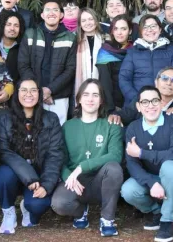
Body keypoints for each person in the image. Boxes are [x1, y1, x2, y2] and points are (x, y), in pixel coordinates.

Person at [51, 79, 124, 238]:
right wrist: (68, 177)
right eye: (86, 94)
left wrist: (82, 167)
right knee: (59, 204)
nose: (90, 99)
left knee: (114, 168)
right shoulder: (68, 127)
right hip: (76, 181)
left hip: (101, 180)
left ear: (101, 100)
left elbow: (116, 155)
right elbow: (59, 159)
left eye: (95, 95)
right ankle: (80, 212)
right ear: (78, 99)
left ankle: (107, 219)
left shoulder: (111, 125)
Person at [0, 79, 64, 234]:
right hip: (13, 172)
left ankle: (27, 206)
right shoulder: (3, 117)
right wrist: (29, 176)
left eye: (33, 90)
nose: (28, 94)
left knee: (37, 206)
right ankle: (8, 210)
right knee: (2, 176)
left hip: (38, 175)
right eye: (23, 90)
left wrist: (46, 184)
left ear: (39, 93)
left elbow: (55, 154)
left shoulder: (51, 118)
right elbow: (3, 151)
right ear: (16, 93)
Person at [121, 86, 173, 242]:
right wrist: (151, 183)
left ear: (161, 103)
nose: (150, 105)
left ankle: (168, 221)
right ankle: (156, 212)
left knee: (169, 166)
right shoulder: (133, 128)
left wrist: (142, 153)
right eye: (145, 102)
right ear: (138, 106)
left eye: (154, 100)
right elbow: (132, 164)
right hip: (153, 182)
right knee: (128, 190)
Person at [18, 0, 77, 125]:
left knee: (57, 133)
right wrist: (39, 90)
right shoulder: (30, 34)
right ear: (42, 15)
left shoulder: (70, 38)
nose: (51, 13)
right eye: (47, 10)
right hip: (32, 95)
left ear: (61, 15)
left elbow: (70, 69)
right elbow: (23, 64)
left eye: (55, 10)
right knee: (32, 131)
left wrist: (50, 90)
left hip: (59, 97)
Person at [109, 67, 173, 140]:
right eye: (165, 78)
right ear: (156, 82)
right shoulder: (142, 100)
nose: (169, 83)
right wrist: (115, 116)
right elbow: (125, 114)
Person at [119, 15, 173, 105]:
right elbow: (124, 79)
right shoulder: (132, 52)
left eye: (153, 26)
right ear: (141, 31)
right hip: (137, 103)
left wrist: (164, 100)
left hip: (165, 103)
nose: (149, 30)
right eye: (145, 27)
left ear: (160, 29)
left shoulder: (172, 50)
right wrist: (138, 100)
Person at [96, 14, 133, 112]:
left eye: (123, 29)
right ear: (112, 31)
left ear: (130, 31)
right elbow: (104, 82)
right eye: (116, 29)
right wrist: (111, 109)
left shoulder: (135, 50)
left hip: (133, 101)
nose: (119, 33)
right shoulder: (105, 51)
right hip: (113, 103)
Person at [0, 10, 26, 85]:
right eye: (8, 24)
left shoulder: (24, 49)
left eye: (16, 25)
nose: (12, 28)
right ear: (2, 26)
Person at [75, 8, 105, 96]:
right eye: (83, 20)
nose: (88, 23)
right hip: (81, 84)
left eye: (91, 19)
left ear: (96, 20)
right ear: (80, 24)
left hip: (103, 85)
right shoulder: (76, 42)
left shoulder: (105, 40)